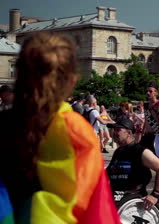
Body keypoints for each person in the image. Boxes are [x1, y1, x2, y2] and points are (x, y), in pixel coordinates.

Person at [0, 32, 119, 222]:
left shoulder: (5, 124)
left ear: (19, 75)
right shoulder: (75, 131)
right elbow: (98, 210)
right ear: (72, 81)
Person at [106, 117, 159, 211]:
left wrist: (155, 195)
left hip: (132, 204)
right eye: (114, 130)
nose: (114, 133)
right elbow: (107, 175)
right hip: (114, 201)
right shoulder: (118, 152)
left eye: (118, 130)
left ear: (129, 133)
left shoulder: (140, 151)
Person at [142, 83, 159, 153]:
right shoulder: (146, 105)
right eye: (147, 91)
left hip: (156, 136)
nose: (148, 93)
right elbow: (146, 120)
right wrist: (143, 131)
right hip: (147, 135)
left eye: (150, 91)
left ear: (156, 92)